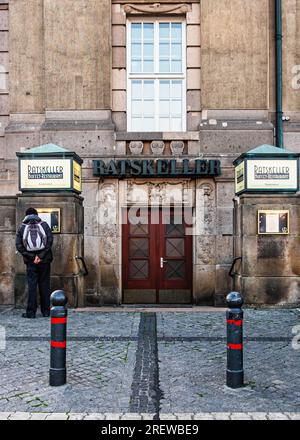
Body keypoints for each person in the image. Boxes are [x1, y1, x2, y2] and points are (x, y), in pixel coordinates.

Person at [16, 207, 53, 318]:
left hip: (30, 262)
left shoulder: (22, 227)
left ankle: (31, 312)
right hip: (44, 260)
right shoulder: (44, 225)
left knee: (32, 286)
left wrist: (32, 257)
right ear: (37, 215)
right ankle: (46, 311)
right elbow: (49, 242)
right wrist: (40, 256)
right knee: (44, 284)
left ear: (26, 215)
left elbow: (19, 246)